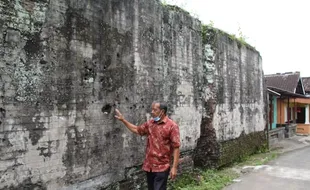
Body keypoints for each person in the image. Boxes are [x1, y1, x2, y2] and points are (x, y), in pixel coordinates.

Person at [114, 102, 180, 190]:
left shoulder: (172, 126)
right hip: (150, 167)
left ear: (162, 111)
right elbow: (137, 130)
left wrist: (174, 168)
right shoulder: (150, 123)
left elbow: (176, 147)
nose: (152, 112)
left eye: (155, 110)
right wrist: (123, 120)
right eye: (151, 109)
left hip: (162, 167)